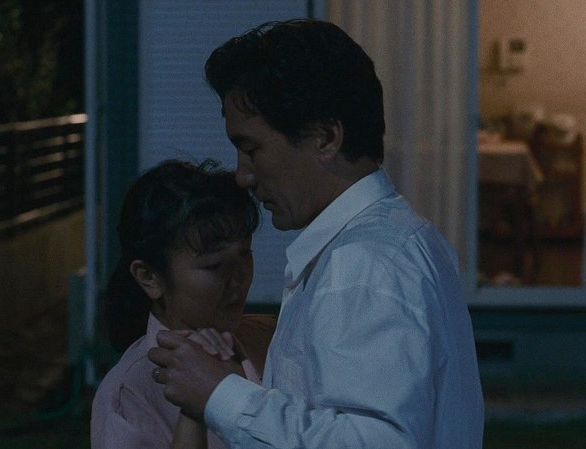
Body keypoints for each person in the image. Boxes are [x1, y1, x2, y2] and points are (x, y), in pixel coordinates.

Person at [147, 19, 484, 448]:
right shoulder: (401, 239)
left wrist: (221, 396)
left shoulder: (363, 263)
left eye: (251, 149)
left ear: (325, 138)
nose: (243, 176)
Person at [90, 159, 275, 449]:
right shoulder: (130, 393)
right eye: (214, 266)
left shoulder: (268, 336)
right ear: (149, 277)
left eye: (245, 254)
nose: (238, 279)